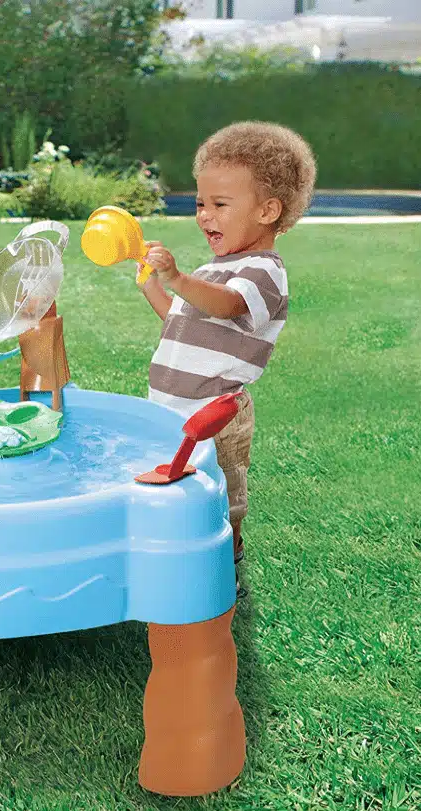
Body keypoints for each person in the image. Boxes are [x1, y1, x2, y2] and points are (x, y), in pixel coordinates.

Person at [138, 121, 316, 597]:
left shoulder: (264, 272)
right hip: (173, 406)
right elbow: (181, 319)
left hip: (217, 412)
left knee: (221, 494)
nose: (204, 215)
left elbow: (227, 305)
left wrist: (177, 277)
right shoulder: (211, 271)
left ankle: (225, 566)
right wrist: (156, 285)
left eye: (219, 204)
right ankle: (181, 555)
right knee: (179, 490)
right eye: (200, 203)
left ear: (268, 211)